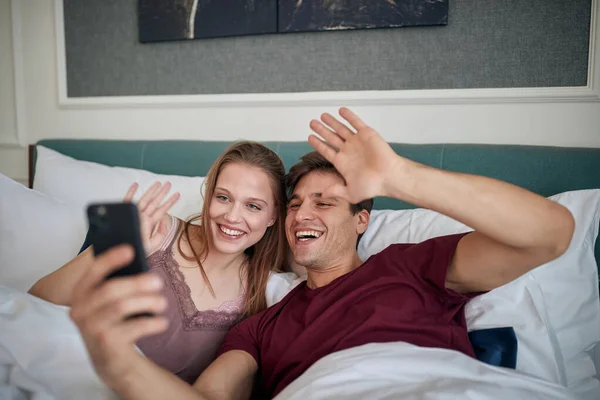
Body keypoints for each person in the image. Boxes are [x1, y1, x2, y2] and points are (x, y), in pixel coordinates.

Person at [69, 108, 575, 399]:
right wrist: (113, 358)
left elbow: (548, 235)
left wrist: (400, 177)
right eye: (293, 204)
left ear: (362, 219)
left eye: (325, 202)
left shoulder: (409, 265)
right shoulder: (260, 326)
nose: (302, 214)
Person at [28, 141, 288, 384]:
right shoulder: (155, 229)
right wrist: (117, 244)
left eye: (253, 206)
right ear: (209, 196)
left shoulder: (266, 291)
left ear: (273, 215)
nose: (232, 216)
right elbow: (38, 298)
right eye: (223, 197)